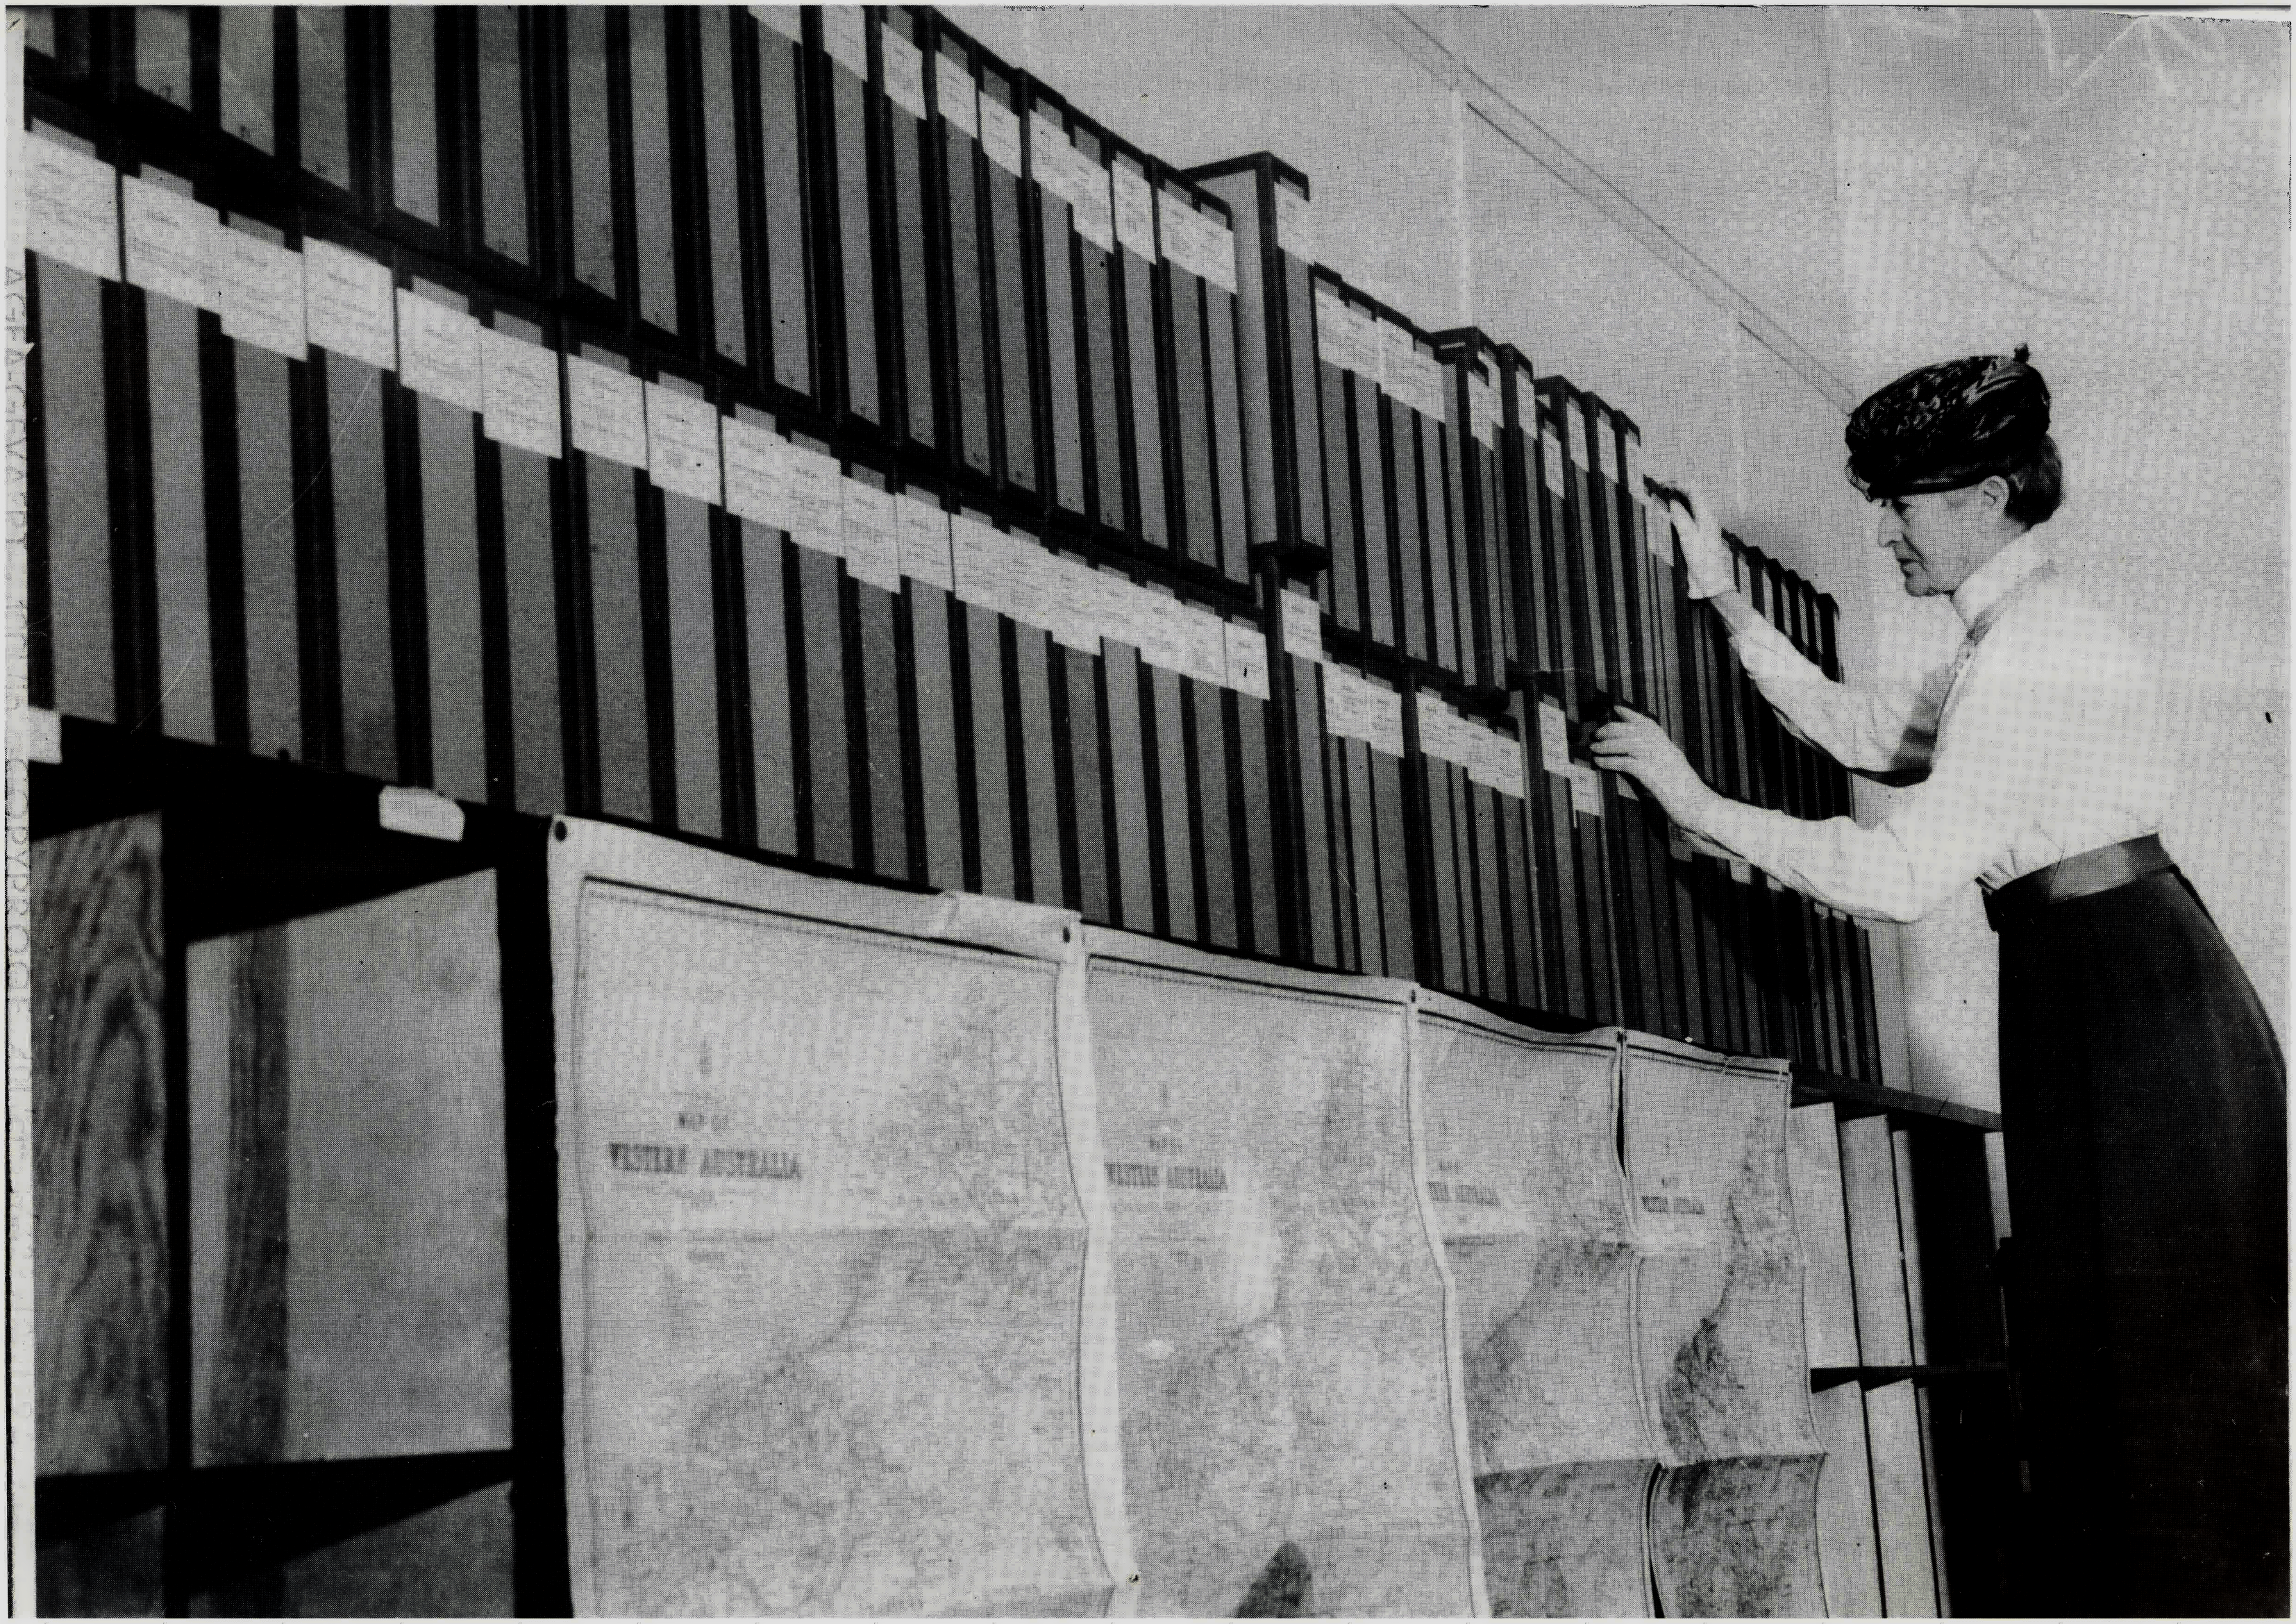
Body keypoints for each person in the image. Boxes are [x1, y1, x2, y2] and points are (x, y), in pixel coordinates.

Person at [1593, 347, 2286, 1616]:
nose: (1887, 529)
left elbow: (1900, 870)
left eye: (1904, 502)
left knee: (2150, 1393)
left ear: (1985, 500)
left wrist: (1693, 798)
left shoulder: (2026, 659)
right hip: (2113, 989)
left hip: (2125, 1007)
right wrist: (1727, 609)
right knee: (2115, 1371)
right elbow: (1868, 733)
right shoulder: (2003, 639)